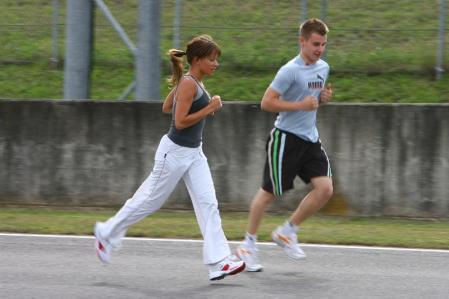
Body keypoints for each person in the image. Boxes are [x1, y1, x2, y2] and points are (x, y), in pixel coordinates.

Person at [94, 34, 245, 281]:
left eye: (216, 59)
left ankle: (219, 262)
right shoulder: (189, 83)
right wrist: (208, 108)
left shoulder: (192, 81)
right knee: (149, 201)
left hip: (194, 153)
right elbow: (178, 120)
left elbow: (167, 107)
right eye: (211, 59)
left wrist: (190, 97)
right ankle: (106, 231)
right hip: (174, 153)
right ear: (196, 60)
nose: (216, 64)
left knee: (208, 203)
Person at [236, 18, 334, 272]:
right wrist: (299, 105)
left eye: (323, 44)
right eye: (315, 44)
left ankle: (287, 231)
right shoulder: (289, 70)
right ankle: (248, 245)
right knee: (269, 192)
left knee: (325, 189)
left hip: (310, 138)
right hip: (286, 138)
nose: (319, 49)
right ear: (302, 41)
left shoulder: (323, 68)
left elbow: (312, 99)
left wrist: (321, 98)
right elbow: (267, 102)